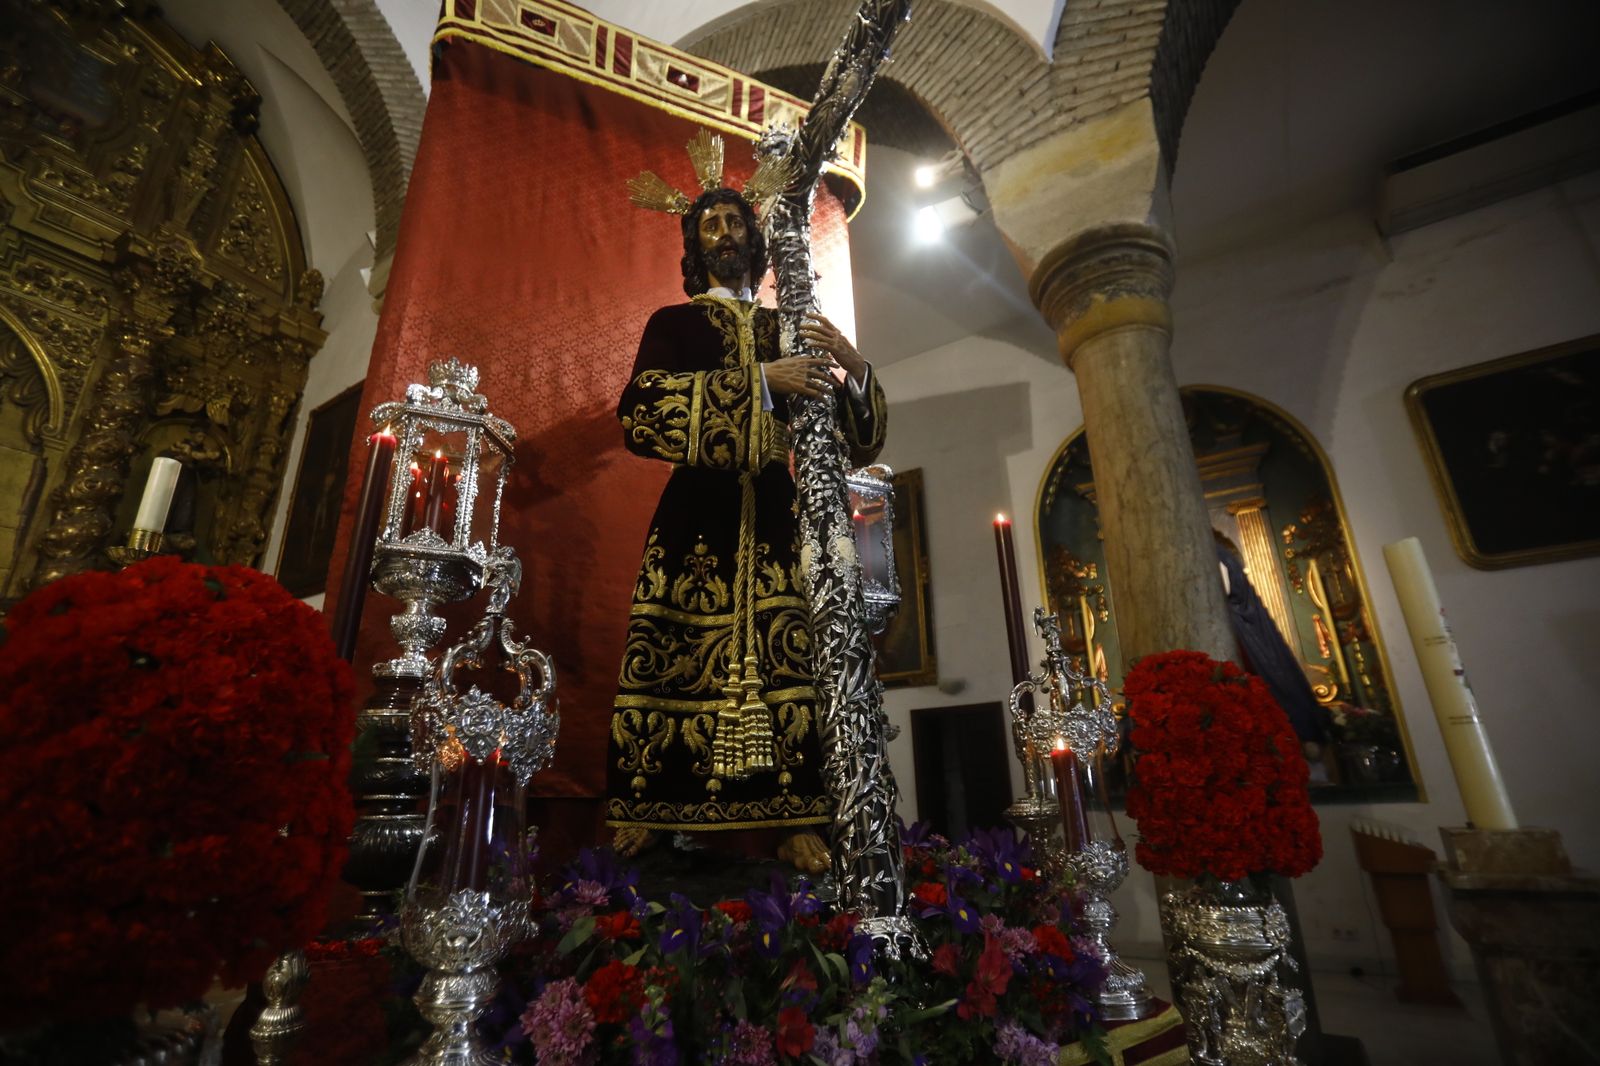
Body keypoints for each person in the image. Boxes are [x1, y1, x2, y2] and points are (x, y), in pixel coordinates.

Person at [608, 138, 886, 874]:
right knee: (675, 647)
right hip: (694, 515)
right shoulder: (675, 324)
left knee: (785, 644)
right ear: (695, 248)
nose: (726, 234)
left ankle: (797, 815)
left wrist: (853, 369)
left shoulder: (785, 324)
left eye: (735, 222)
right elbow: (642, 412)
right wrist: (760, 383)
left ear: (756, 238)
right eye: (711, 227)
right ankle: (653, 805)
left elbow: (847, 441)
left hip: (774, 511)